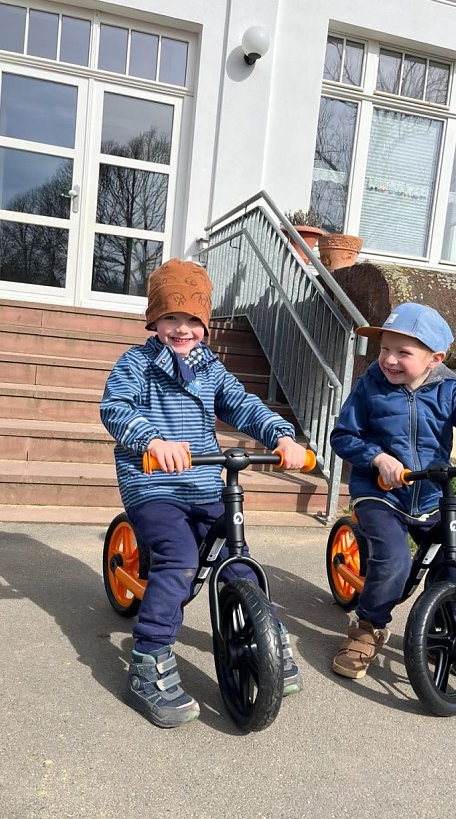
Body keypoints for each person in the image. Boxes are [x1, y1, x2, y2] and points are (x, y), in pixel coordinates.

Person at [100, 258, 308, 727]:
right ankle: (149, 658)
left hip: (204, 481)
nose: (182, 328)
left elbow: (243, 404)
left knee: (238, 557)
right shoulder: (135, 364)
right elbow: (116, 408)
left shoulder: (210, 368)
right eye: (171, 317)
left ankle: (264, 635)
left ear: (205, 324)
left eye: (193, 319)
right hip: (153, 485)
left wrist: (281, 436)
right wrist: (152, 441)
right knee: (179, 559)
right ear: (154, 320)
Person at [329, 302, 456, 680]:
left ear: (435, 359)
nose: (389, 359)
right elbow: (343, 436)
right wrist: (378, 458)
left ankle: (446, 631)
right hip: (381, 493)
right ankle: (368, 627)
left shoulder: (448, 391)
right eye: (385, 349)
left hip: (430, 496)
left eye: (403, 352)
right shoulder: (369, 387)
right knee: (394, 560)